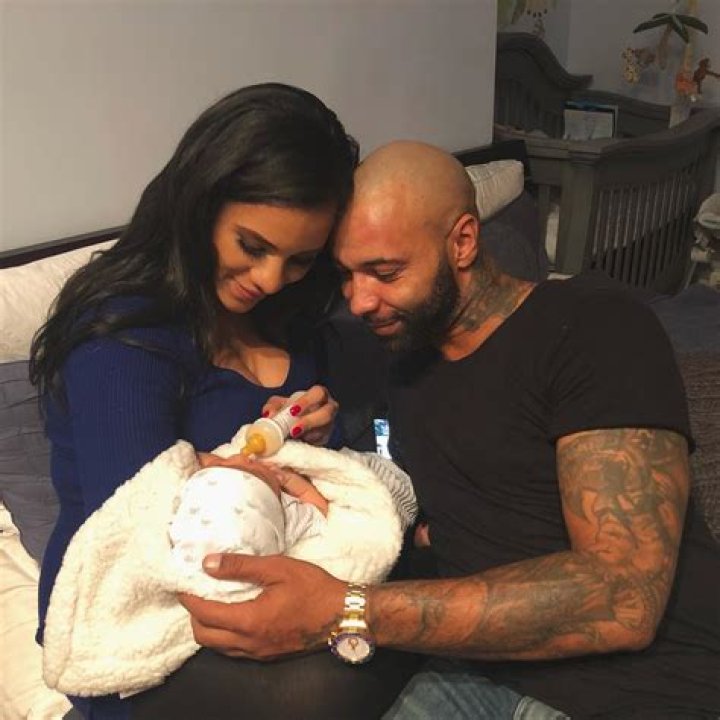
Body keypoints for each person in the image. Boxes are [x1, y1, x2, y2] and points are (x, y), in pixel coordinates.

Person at [179, 141, 720, 719]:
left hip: (649, 689)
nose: (359, 301)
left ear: (462, 242)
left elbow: (624, 597)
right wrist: (317, 453)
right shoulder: (404, 355)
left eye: (385, 272)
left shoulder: (593, 324)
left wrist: (348, 609)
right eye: (346, 276)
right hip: (472, 670)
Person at [29, 85, 419, 720]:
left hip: (277, 560)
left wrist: (313, 435)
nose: (269, 280)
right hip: (143, 606)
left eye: (299, 260)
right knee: (334, 685)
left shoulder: (291, 314)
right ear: (200, 205)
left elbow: (308, 461)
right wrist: (274, 474)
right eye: (252, 246)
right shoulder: (123, 337)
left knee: (423, 595)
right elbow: (137, 515)